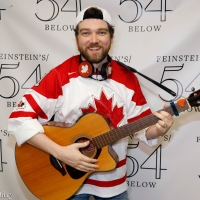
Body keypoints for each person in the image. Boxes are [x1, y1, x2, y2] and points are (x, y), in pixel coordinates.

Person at [8, 6, 174, 200]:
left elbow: (142, 128)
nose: (94, 40)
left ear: (111, 38)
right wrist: (61, 153)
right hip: (67, 184)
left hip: (114, 184)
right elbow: (18, 119)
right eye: (85, 33)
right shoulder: (60, 76)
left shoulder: (128, 79)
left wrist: (159, 129)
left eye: (101, 32)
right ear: (77, 38)